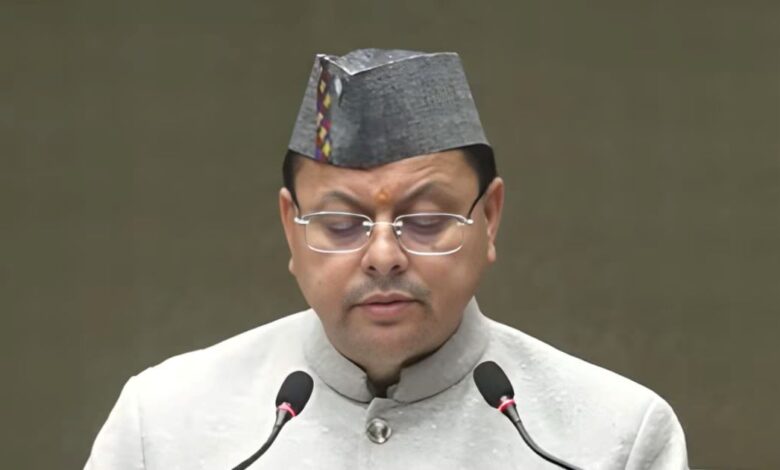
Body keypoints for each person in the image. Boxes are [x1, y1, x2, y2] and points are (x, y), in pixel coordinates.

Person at [84, 49, 688, 469]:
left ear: (489, 217)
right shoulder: (163, 425)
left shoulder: (615, 436)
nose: (382, 256)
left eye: (425, 222)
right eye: (340, 225)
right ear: (290, 228)